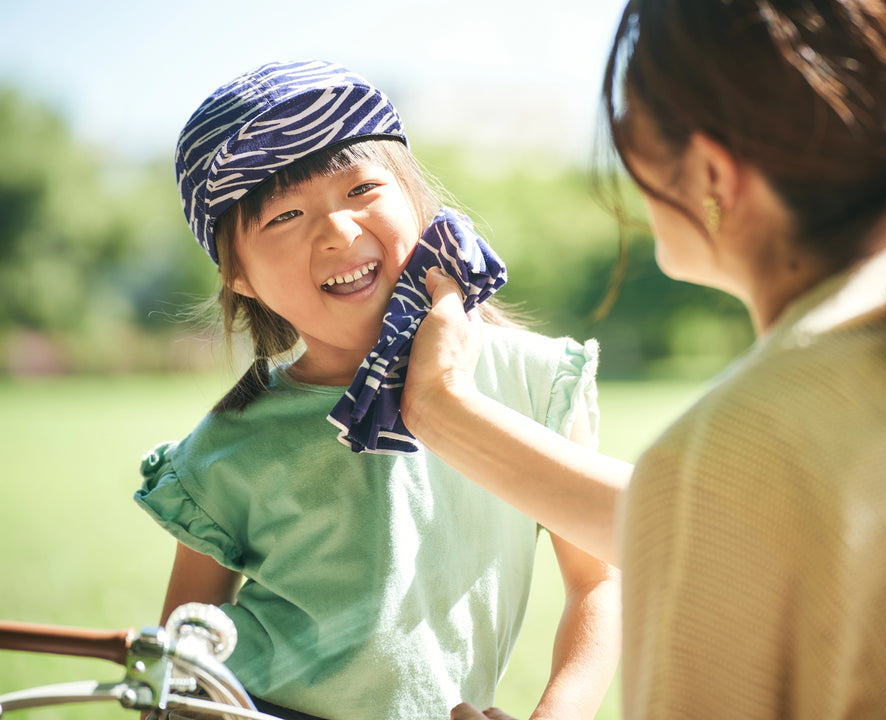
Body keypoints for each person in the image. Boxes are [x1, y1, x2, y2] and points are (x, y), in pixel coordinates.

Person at [400, 1, 886, 718]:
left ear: (711, 177)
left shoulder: (736, 450)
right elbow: (719, 523)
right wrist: (443, 409)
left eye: (632, 142)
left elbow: (721, 501)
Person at [133, 59, 620, 720]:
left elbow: (598, 580)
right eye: (284, 215)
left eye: (361, 188)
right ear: (238, 274)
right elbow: (179, 663)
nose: (337, 231)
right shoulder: (231, 442)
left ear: (417, 200)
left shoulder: (532, 380)